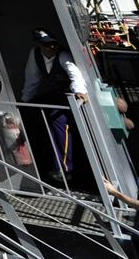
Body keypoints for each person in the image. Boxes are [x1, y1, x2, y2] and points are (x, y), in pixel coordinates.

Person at [21, 30, 89, 184]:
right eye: (47, 45)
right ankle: (38, 159)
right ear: (39, 45)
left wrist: (79, 90)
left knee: (59, 122)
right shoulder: (36, 54)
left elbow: (74, 73)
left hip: (69, 96)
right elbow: (32, 79)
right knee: (32, 114)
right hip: (56, 94)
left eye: (53, 44)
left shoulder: (63, 55)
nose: (51, 47)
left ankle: (64, 169)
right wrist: (25, 102)